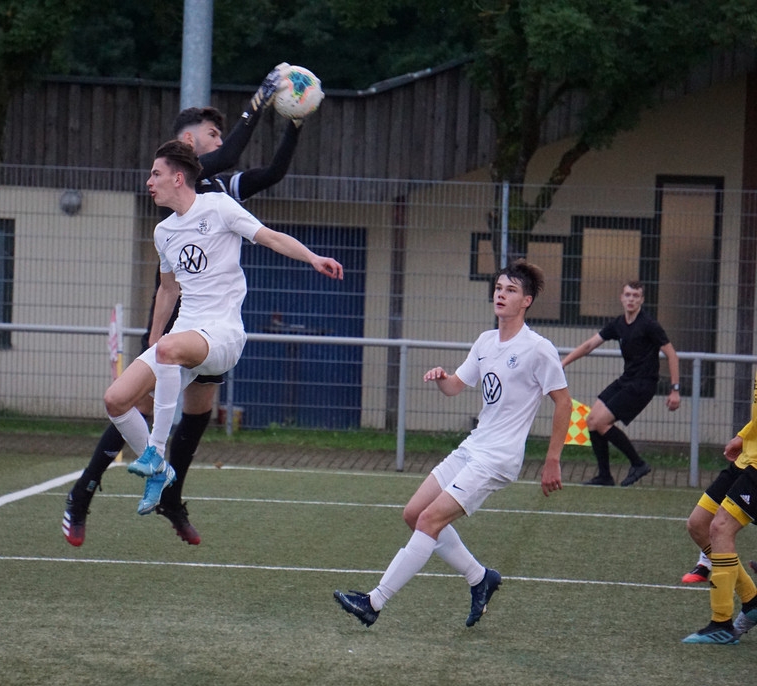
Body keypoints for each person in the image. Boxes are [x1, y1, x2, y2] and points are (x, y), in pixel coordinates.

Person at [63, 66, 306, 547]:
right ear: (188, 143)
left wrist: (295, 122)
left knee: (197, 412)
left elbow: (273, 173)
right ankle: (83, 491)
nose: (221, 143)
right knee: (135, 402)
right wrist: (257, 104)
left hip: (214, 322)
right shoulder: (183, 175)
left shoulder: (219, 193)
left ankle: (171, 496)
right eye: (213, 134)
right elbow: (230, 154)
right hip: (177, 317)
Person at [107, 140, 342, 520]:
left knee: (168, 351)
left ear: (178, 178)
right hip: (183, 337)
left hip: (223, 334)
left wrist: (313, 257)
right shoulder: (163, 232)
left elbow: (270, 236)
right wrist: (153, 338)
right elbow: (167, 289)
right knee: (116, 400)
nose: (149, 182)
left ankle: (155, 452)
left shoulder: (218, 207)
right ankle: (161, 471)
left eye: (156, 174)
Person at [334, 260, 570, 629]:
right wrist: (442, 377)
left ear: (526, 301)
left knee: (429, 520)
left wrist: (552, 458)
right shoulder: (485, 341)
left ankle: (374, 601)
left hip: (498, 458)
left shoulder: (538, 349)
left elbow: (564, 402)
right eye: (498, 288)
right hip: (474, 447)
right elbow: (456, 386)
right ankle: (480, 578)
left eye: (510, 290)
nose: (501, 294)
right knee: (413, 513)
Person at [561, 281, 680, 487]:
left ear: (642, 300)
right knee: (592, 420)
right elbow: (589, 345)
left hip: (643, 385)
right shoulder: (618, 324)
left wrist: (675, 390)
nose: (631, 299)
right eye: (628, 295)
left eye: (636, 296)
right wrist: (562, 363)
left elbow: (672, 355)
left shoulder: (649, 325)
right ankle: (605, 476)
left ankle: (638, 464)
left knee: (601, 423)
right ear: (621, 298)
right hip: (627, 380)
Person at [681, 390, 757, 643]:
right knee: (698, 524)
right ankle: (752, 600)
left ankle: (721, 623)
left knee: (721, 527)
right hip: (747, 458)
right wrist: (743, 436)